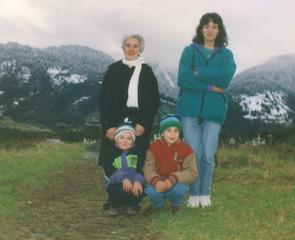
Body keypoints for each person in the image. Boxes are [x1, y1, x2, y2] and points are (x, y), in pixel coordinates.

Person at [175, 12, 236, 208]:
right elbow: (183, 79)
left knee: (208, 154)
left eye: (214, 26)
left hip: (213, 111)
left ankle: (205, 193)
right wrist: (210, 86)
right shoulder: (189, 51)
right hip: (190, 111)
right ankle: (194, 194)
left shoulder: (226, 55)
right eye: (207, 25)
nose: (210, 29)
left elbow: (225, 79)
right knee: (193, 154)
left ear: (219, 30)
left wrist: (200, 72)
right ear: (201, 28)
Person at [98, 33, 160, 210]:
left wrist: (143, 123)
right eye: (128, 45)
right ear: (123, 48)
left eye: (135, 46)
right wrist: (109, 125)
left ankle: (133, 200)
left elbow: (153, 100)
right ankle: (114, 198)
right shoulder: (113, 70)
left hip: (139, 121)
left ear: (140, 49)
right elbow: (104, 100)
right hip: (115, 120)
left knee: (138, 160)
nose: (131, 49)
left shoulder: (146, 72)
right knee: (113, 160)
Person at [142, 111, 198, 215]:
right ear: (162, 133)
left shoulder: (186, 149)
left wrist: (173, 179)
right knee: (151, 191)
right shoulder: (154, 147)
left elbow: (192, 172)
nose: (173, 134)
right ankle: (156, 204)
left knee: (180, 189)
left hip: (176, 183)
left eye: (176, 131)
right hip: (158, 183)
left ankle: (176, 204)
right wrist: (156, 181)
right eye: (168, 130)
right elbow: (148, 168)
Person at [102, 119, 146, 216]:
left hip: (132, 181)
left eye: (129, 138)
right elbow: (108, 168)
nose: (125, 141)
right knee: (120, 189)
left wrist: (138, 180)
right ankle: (114, 204)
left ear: (133, 140)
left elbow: (141, 167)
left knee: (141, 189)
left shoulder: (136, 152)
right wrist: (123, 178)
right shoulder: (110, 152)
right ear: (116, 139)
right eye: (121, 138)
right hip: (116, 183)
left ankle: (131, 204)